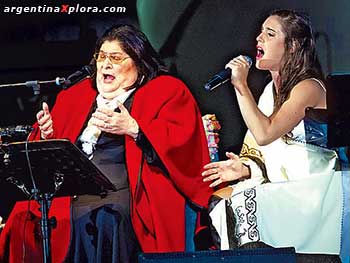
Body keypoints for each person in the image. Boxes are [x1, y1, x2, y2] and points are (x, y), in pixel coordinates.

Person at [0, 24, 213, 262]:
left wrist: (134, 129)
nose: (105, 64)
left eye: (115, 57)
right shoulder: (76, 94)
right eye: (101, 57)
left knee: (106, 217)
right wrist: (46, 135)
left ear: (139, 63)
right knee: (23, 217)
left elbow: (184, 143)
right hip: (68, 188)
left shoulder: (167, 90)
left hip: (125, 187)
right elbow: (48, 149)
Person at [203, 9, 344, 261]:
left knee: (241, 206)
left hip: (314, 188)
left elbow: (266, 133)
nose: (258, 39)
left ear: (292, 46)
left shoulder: (308, 87)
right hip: (286, 185)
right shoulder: (270, 90)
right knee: (221, 203)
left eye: (269, 34)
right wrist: (246, 169)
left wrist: (240, 85)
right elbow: (263, 147)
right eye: (260, 33)